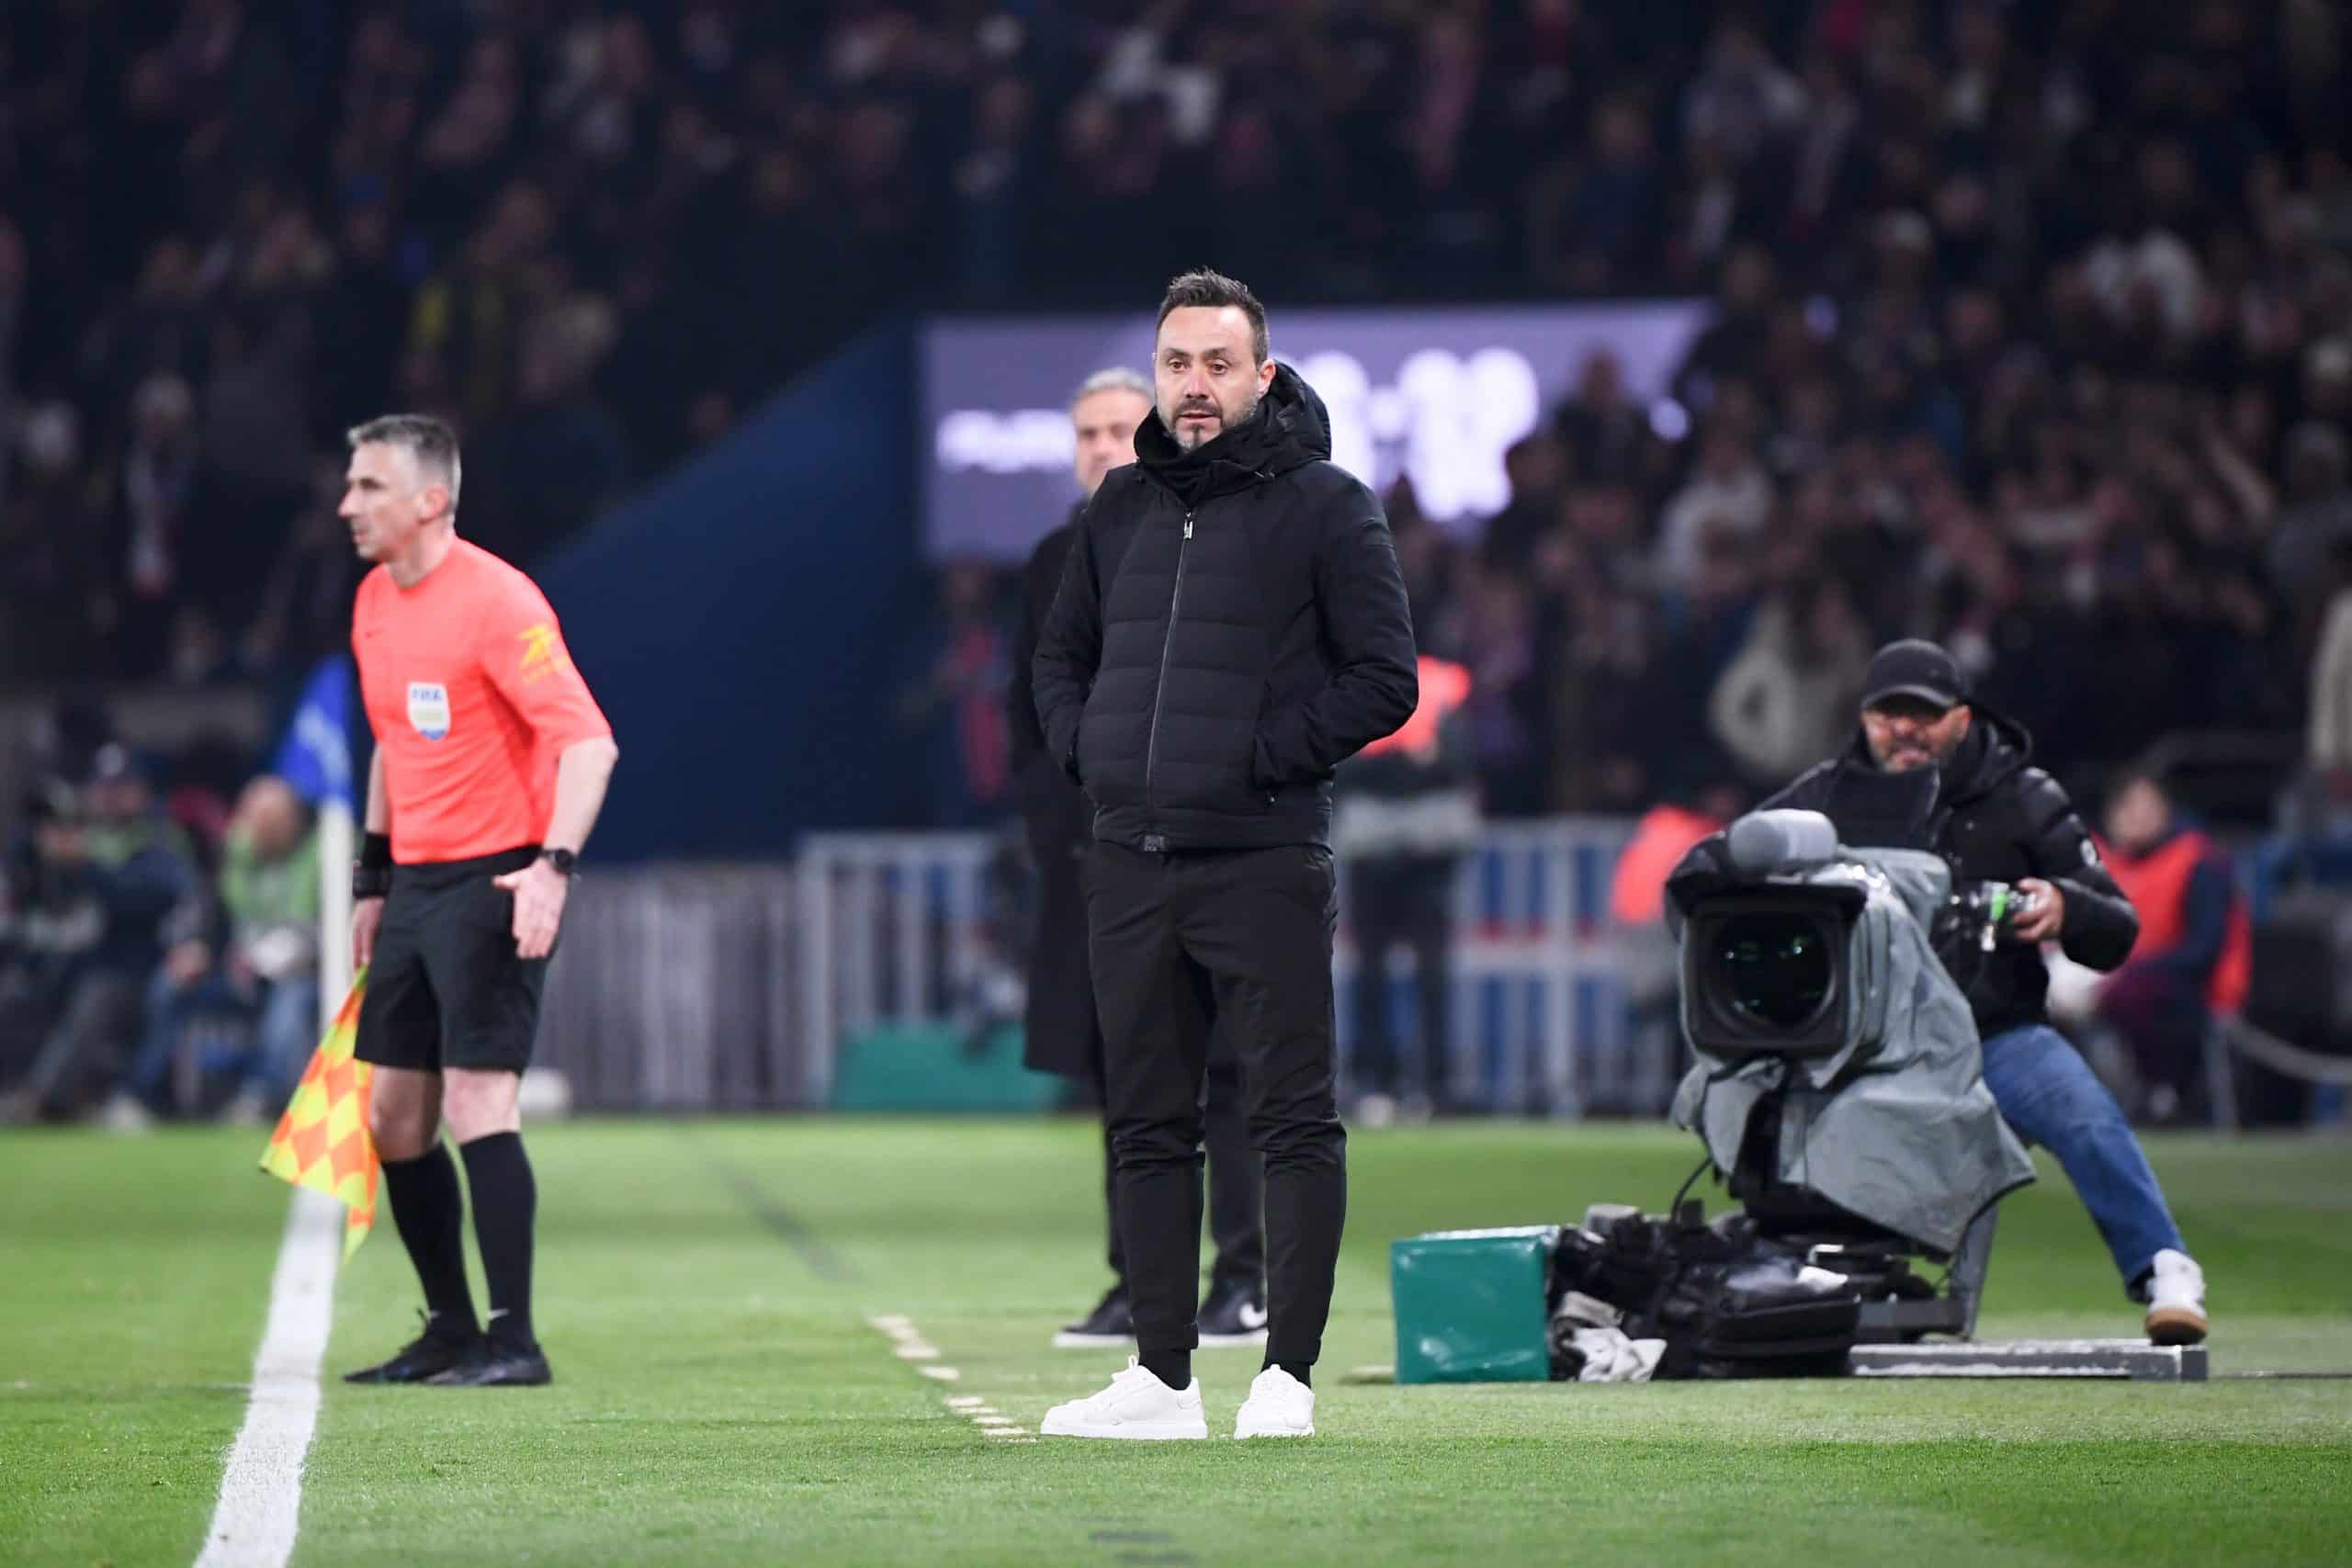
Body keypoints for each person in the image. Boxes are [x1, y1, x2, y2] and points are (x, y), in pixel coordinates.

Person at [1031, 269, 1418, 1439]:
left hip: (1263, 857)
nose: (1192, 389)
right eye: (1175, 365)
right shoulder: (1118, 510)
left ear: (1262, 375)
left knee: (1292, 1120)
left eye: (1214, 366)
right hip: (1131, 861)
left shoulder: (1329, 504)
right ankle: (1159, 1381)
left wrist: (1262, 755)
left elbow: (1384, 679)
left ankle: (1285, 1383)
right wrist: (1091, 753)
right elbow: (1060, 661)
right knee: (1147, 1123)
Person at [1758, 639, 2208, 1345]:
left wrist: (2066, 906)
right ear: (1864, 715)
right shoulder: (1826, 797)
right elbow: (1729, 860)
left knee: (2083, 1113)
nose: (1904, 728)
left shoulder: (2023, 795)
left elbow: (2117, 925)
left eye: (1924, 714)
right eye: (1888, 712)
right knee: (1771, 1110)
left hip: (1991, 1036)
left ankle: (2163, 1268)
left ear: (1963, 718)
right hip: (1866, 1047)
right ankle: (1785, 1275)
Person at [337, 413, 620, 1388]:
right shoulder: (374, 600)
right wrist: (373, 880)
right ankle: (450, 1330)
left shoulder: (501, 602)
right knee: (392, 1119)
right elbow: (391, 741)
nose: (348, 505)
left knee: (476, 1101)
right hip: (415, 883)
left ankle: (516, 1342)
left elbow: (589, 741)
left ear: (431, 501)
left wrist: (552, 868)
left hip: (496, 874)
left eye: (369, 487)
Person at [1007, 367, 1268, 1351]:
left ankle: (1241, 1281)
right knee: (1125, 1080)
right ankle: (1137, 1286)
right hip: (1096, 863)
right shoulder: (1047, 561)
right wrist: (1060, 839)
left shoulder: (1212, 538)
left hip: (1209, 850)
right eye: (1086, 433)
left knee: (1231, 1072)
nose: (1102, 446)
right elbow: (1026, 715)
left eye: (1120, 427)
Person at [102, 773, 322, 1129]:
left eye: (273, 820)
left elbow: (328, 932)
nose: (263, 829)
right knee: (169, 987)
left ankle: (261, 1095)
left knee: (292, 1002)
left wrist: (276, 959)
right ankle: (141, 1095)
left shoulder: (320, 858)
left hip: (299, 975)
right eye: (256, 819)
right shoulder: (233, 857)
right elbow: (208, 912)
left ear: (294, 820)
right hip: (236, 976)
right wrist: (196, 947)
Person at [1334, 651, 1478, 1123]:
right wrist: (1410, 764)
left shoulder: (1442, 683)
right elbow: (1340, 763)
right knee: (1375, 973)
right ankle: (1384, 1082)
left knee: (1423, 972)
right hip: (1386, 847)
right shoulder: (1430, 683)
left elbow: (1461, 760)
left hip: (1415, 849)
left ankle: (1427, 1086)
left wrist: (1386, 765)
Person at [2092, 768, 2252, 1125]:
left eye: (2146, 807)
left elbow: (2203, 950)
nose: (2136, 818)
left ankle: (2159, 1092)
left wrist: (2130, 969)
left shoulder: (2199, 861)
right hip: (2107, 975)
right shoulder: (2100, 862)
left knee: (2131, 994)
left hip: (2185, 988)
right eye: (2127, 808)